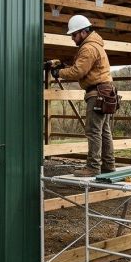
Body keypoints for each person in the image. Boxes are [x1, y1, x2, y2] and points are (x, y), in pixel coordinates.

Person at [49, 14, 116, 177]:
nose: (72, 38)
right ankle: (108, 165)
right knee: (104, 131)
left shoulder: (88, 48)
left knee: (93, 131)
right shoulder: (95, 45)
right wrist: (65, 67)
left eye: (74, 34)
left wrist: (59, 72)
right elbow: (84, 68)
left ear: (83, 32)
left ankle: (93, 167)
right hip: (105, 92)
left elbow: (78, 71)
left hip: (97, 94)